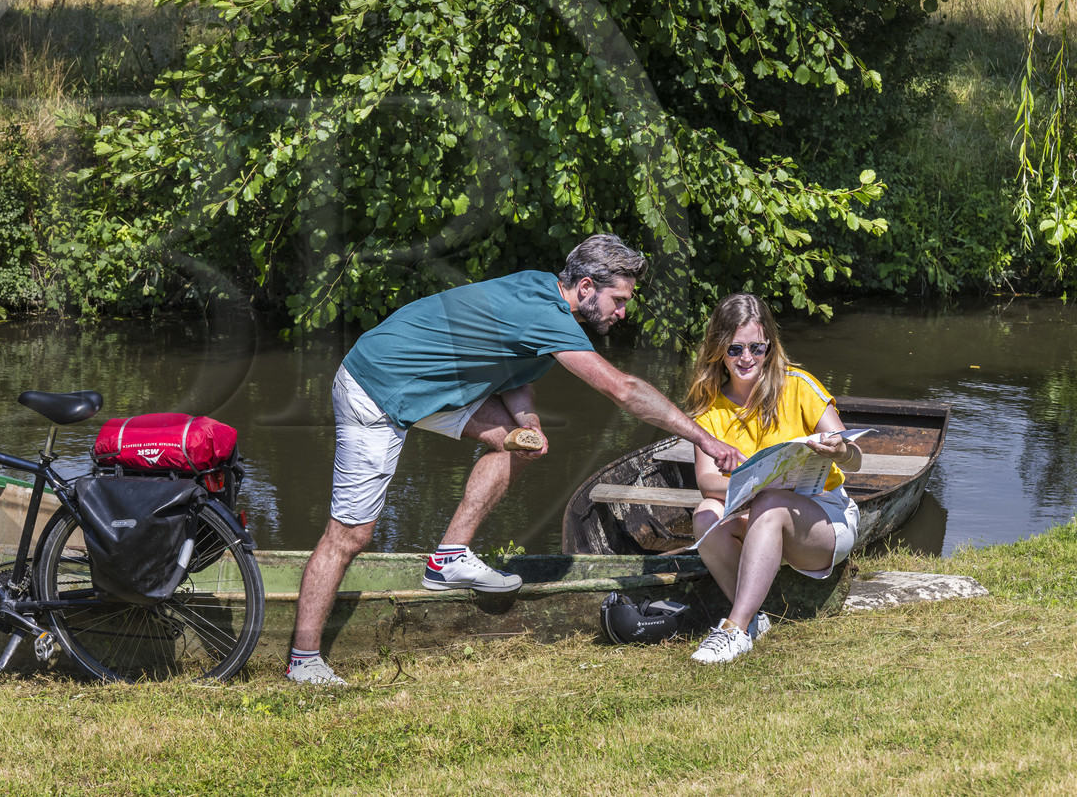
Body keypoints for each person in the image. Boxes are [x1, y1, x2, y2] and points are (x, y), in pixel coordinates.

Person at [285, 234, 745, 685]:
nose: (623, 312)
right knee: (350, 535)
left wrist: (529, 422)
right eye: (618, 300)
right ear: (586, 287)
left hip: (431, 387)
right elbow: (623, 390)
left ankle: (447, 558)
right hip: (376, 385)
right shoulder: (547, 314)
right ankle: (303, 661)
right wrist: (704, 439)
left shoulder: (542, 290)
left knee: (523, 445)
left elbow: (514, 369)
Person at [684, 292, 863, 664]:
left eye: (757, 348)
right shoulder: (709, 406)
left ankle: (734, 630)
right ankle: (753, 621)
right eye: (735, 349)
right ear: (718, 349)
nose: (746, 358)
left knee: (769, 502)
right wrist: (762, 484)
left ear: (769, 346)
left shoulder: (798, 385)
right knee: (705, 515)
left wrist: (840, 451)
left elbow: (856, 460)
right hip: (757, 512)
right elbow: (707, 482)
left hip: (822, 520)